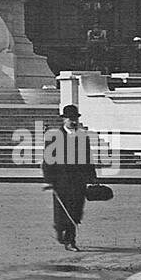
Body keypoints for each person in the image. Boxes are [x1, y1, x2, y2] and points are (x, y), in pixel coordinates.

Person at [42, 105, 98, 251]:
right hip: (61, 181)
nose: (73, 121)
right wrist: (49, 180)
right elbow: (47, 160)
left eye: (75, 119)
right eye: (70, 118)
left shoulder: (82, 136)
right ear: (64, 119)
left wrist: (92, 177)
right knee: (62, 211)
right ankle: (60, 230)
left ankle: (70, 240)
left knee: (76, 211)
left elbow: (88, 158)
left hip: (79, 181)